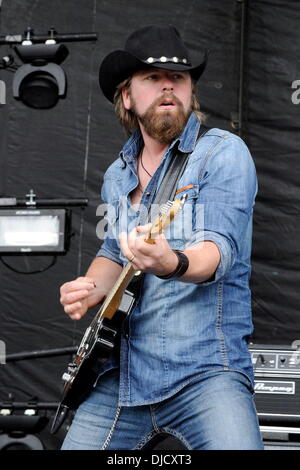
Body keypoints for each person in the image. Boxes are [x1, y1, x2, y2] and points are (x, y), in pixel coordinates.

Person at [60, 25, 264, 450]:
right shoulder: (117, 175)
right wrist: (89, 289)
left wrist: (172, 263)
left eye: (180, 77)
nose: (169, 85)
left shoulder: (222, 153)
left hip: (207, 371)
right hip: (122, 376)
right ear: (128, 97)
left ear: (190, 92)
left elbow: (218, 251)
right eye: (152, 77)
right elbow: (114, 252)